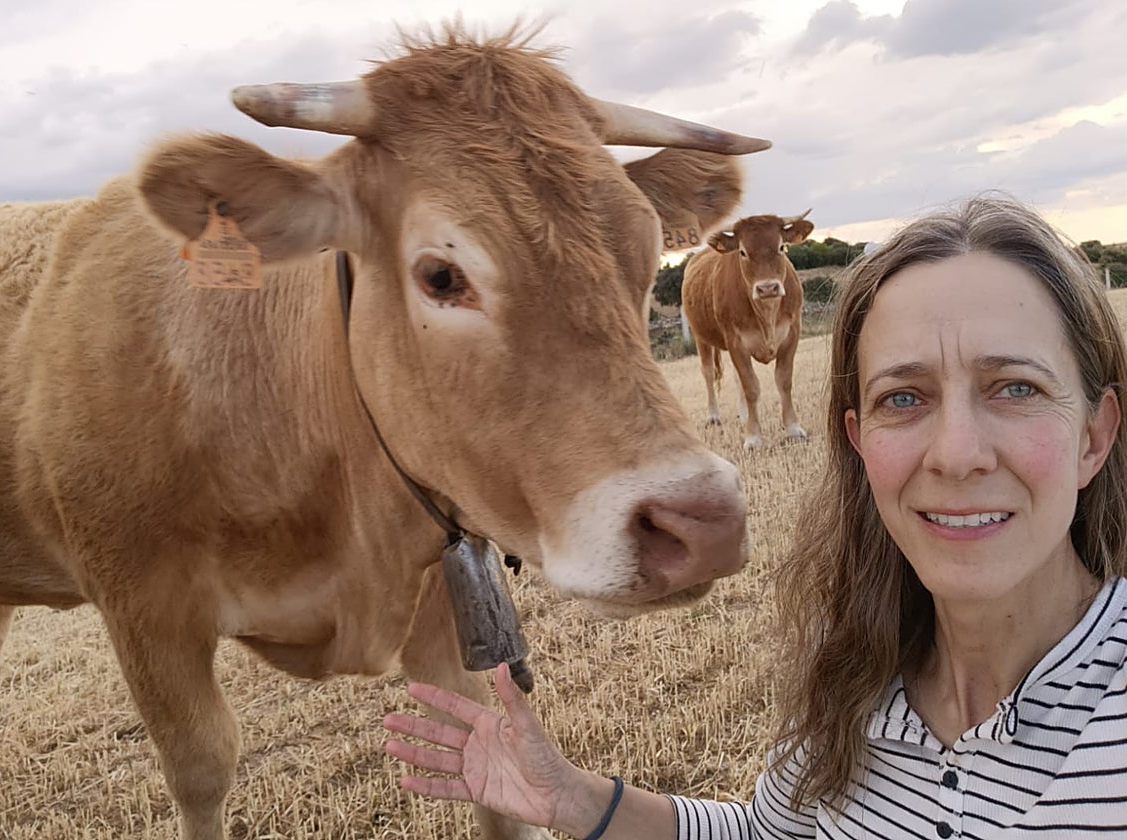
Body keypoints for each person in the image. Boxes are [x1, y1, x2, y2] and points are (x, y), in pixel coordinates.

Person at [382, 194, 1127, 838]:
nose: (957, 454)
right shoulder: (851, 673)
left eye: (1015, 388)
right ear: (859, 440)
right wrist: (571, 797)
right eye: (904, 397)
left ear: (1095, 435)